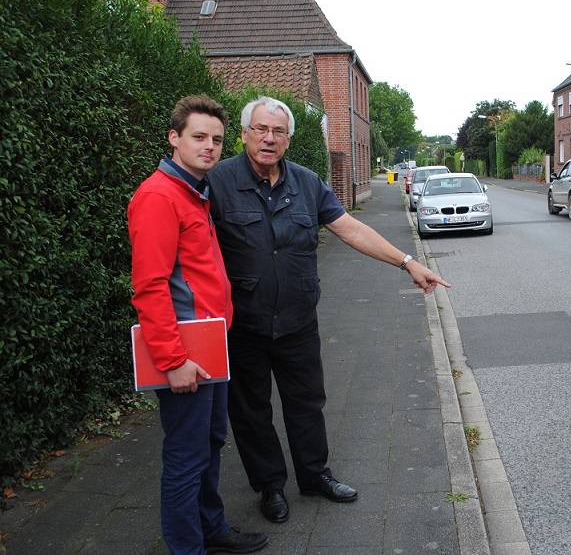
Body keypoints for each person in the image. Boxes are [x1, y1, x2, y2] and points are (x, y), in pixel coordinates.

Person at [208, 96, 450, 524]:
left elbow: (350, 228)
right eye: (260, 129)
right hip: (241, 324)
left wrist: (408, 262)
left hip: (298, 320)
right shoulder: (218, 182)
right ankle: (270, 486)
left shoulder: (305, 182)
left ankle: (315, 476)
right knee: (250, 411)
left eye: (278, 131)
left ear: (289, 139)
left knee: (307, 403)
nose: (269, 138)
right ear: (244, 134)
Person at [128, 95, 268, 554]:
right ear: (174, 138)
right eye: (198, 137)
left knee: (209, 444)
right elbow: (150, 288)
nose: (209, 147)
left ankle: (212, 530)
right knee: (186, 458)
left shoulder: (195, 191)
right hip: (186, 352)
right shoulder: (157, 196)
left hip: (211, 345)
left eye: (217, 140)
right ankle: (190, 547)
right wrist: (173, 360)